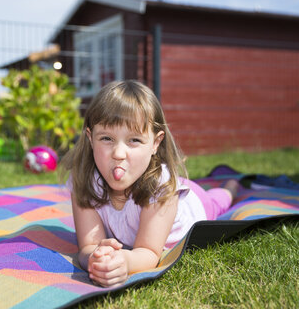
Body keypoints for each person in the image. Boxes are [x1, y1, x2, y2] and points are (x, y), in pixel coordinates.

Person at [61, 80, 239, 288]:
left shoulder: (162, 186)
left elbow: (149, 252)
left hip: (196, 204)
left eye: (134, 140)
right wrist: (95, 258)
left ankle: (231, 187)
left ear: (155, 143)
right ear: (91, 139)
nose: (118, 154)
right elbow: (89, 245)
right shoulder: (83, 180)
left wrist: (125, 262)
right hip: (165, 184)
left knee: (219, 200)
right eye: (107, 138)